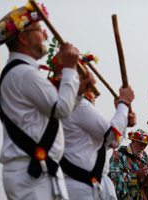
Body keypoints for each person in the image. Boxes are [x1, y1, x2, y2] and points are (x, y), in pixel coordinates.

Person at [0, 2, 94, 199]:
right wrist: (69, 68)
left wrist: (79, 92)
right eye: (39, 30)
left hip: (37, 170)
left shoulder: (21, 71)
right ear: (23, 37)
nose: (46, 36)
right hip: (31, 171)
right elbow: (62, 109)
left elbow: (56, 110)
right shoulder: (24, 73)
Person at [49, 53, 136, 199]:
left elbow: (107, 143)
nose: (89, 75)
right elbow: (113, 136)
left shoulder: (64, 103)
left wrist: (123, 117)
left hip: (84, 184)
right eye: (83, 70)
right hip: (82, 185)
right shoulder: (78, 105)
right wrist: (123, 103)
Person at [108, 129, 148, 200]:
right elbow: (113, 179)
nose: (143, 148)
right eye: (141, 144)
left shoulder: (145, 158)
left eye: (145, 145)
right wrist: (135, 175)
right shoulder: (118, 155)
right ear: (133, 141)